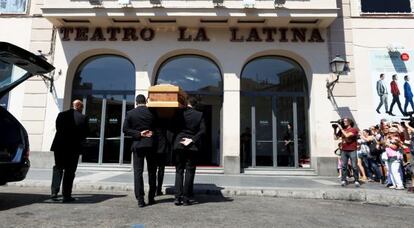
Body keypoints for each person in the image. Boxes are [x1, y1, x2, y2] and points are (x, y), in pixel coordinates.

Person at [50, 100, 88, 202]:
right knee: (70, 171)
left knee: (58, 168)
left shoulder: (61, 115)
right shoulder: (83, 118)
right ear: (79, 106)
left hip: (59, 147)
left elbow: (58, 128)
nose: (82, 109)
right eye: (82, 107)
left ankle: (54, 192)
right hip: (73, 148)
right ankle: (66, 195)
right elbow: (85, 133)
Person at [123, 94, 157, 207]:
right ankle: (151, 197)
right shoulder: (152, 112)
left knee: (138, 172)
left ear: (136, 102)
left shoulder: (130, 113)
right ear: (145, 101)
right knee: (152, 172)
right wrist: (152, 133)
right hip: (151, 144)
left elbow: (125, 129)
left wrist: (138, 133)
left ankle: (140, 199)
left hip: (138, 145)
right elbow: (158, 128)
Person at [173, 97, 205, 206]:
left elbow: (174, 128)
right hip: (192, 146)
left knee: (179, 171)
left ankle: (177, 197)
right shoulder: (199, 115)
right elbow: (203, 130)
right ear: (195, 105)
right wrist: (192, 139)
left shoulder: (180, 113)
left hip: (179, 144)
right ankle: (186, 199)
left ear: (187, 103)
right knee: (190, 172)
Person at [333, 117, 360, 187]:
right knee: (343, 166)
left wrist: (340, 128)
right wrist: (335, 129)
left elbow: (347, 135)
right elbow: (335, 138)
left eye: (345, 121)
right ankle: (343, 180)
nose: (344, 122)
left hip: (352, 150)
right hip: (344, 150)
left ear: (349, 122)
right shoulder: (343, 130)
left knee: (354, 166)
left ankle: (356, 180)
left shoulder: (354, 130)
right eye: (343, 121)